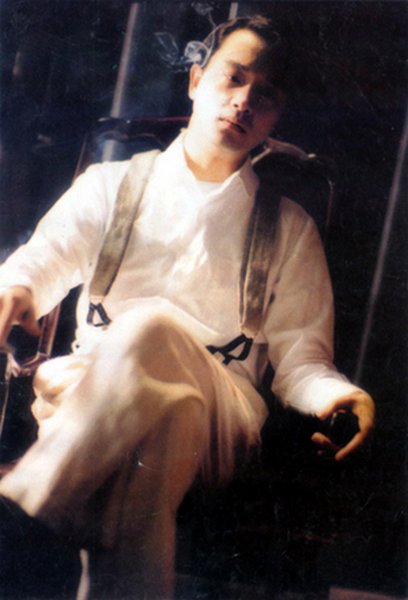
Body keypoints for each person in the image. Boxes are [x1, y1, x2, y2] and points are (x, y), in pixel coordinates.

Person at [0, 15, 374, 600]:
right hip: (92, 392)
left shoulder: (290, 229)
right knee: (165, 421)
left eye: (266, 94)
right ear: (196, 80)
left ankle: (33, 500)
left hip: (221, 419)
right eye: (234, 78)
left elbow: (302, 360)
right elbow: (37, 265)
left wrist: (338, 396)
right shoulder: (108, 185)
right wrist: (16, 290)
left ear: (275, 116)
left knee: (150, 328)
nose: (244, 101)